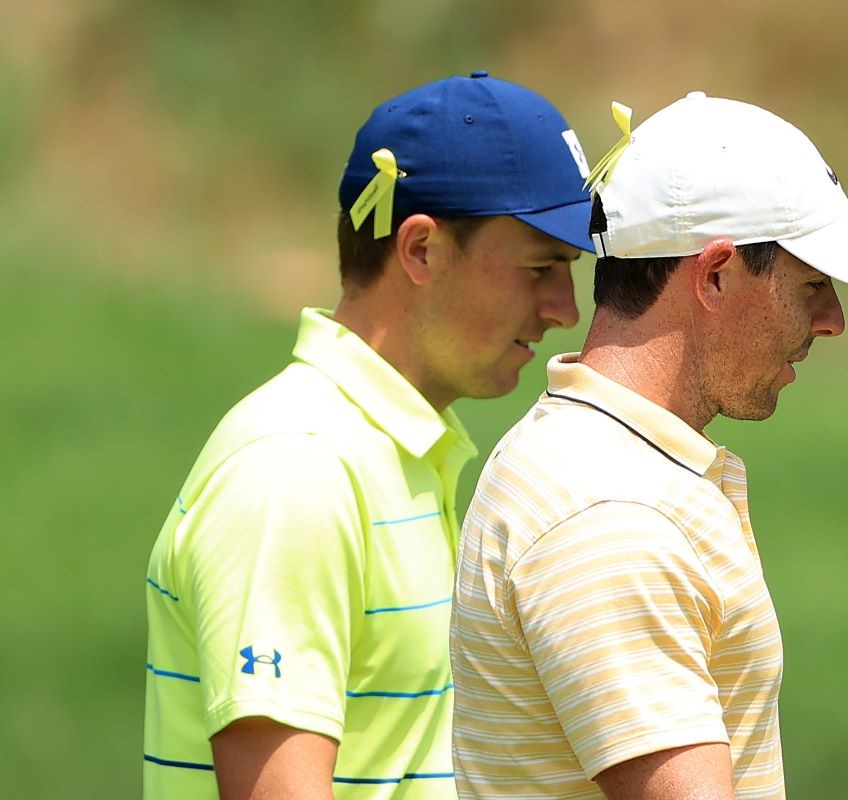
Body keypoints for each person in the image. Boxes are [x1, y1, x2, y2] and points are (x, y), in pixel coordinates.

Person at [449, 91, 848, 799]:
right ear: (716, 274)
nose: (833, 320)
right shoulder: (610, 518)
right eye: (812, 285)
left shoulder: (598, 465)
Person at [143, 71, 594, 800]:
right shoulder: (297, 472)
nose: (564, 309)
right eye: (541, 267)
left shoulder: (397, 454)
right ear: (421, 250)